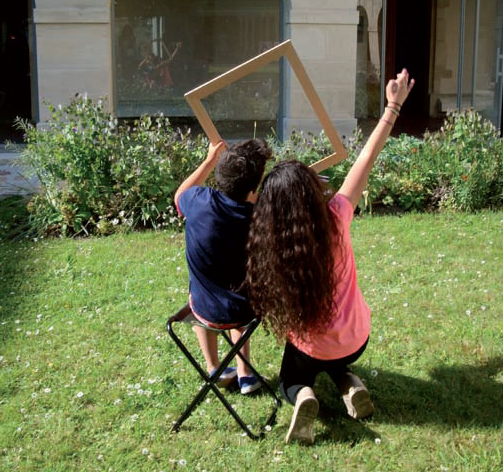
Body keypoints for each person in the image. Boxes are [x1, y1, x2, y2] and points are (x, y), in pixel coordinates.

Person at [245, 69, 415, 444]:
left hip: (311, 347)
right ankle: (348, 383)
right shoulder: (338, 214)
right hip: (357, 338)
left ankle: (304, 395)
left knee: (293, 376)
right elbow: (366, 160)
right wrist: (393, 105)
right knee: (335, 355)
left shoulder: (274, 243)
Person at [174, 138, 273, 394]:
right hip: (246, 311)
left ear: (219, 175)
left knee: (199, 293)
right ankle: (245, 374)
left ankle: (214, 367)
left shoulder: (198, 201)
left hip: (205, 308)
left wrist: (208, 161)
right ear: (254, 190)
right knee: (239, 292)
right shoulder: (260, 217)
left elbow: (179, 196)